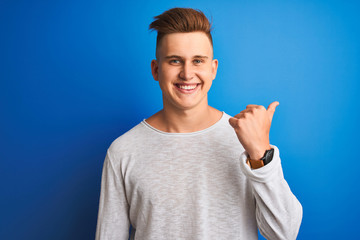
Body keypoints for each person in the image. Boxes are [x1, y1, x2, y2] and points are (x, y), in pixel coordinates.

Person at [95, 7, 302, 240]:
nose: (187, 73)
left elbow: (285, 233)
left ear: (213, 69)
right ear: (156, 69)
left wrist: (261, 154)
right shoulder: (123, 151)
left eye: (197, 61)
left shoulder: (246, 141)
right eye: (175, 61)